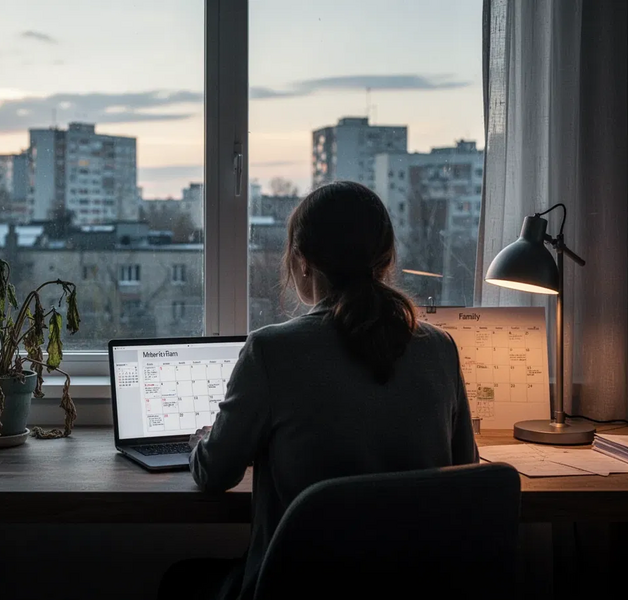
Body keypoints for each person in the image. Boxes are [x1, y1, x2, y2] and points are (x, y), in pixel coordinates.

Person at [157, 180, 479, 600]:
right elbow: (467, 473)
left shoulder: (271, 351)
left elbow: (216, 474)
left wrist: (202, 442)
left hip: (299, 588)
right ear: (385, 261)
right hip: (412, 587)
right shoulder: (439, 347)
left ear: (303, 262)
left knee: (180, 581)